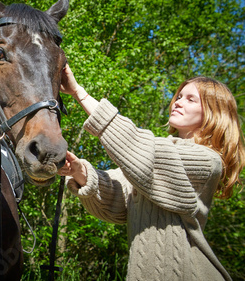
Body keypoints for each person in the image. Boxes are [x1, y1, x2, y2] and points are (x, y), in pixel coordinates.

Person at [58, 64, 244, 281]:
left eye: (190, 99)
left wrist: (79, 93)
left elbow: (142, 152)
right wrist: (81, 174)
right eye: (179, 96)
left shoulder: (207, 162)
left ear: (214, 113)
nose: (177, 102)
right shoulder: (156, 157)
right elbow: (117, 199)